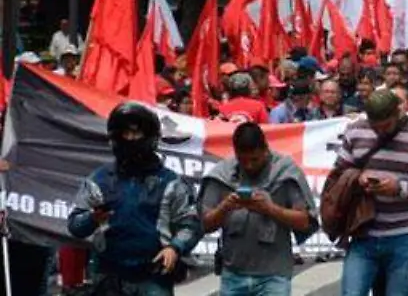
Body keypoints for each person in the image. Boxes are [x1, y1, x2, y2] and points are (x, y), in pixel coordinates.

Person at [67, 103, 202, 295]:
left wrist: (175, 248)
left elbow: (191, 224)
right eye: (125, 133)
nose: (130, 139)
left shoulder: (171, 183)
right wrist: (92, 218)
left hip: (153, 277)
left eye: (135, 133)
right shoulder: (98, 180)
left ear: (150, 136)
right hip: (109, 278)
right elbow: (74, 225)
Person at [334, 91, 408, 296]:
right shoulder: (355, 131)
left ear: (398, 113)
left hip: (404, 236)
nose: (380, 132)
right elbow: (339, 174)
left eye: (385, 126)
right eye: (374, 127)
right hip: (363, 233)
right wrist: (357, 179)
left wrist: (400, 188)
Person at [199, 123, 318, 294]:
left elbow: (305, 221)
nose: (249, 166)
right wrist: (224, 208)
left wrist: (270, 209)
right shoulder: (221, 175)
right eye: (243, 160)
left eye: (254, 159)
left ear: (265, 149)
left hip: (274, 275)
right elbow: (205, 224)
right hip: (233, 274)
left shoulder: (285, 172)